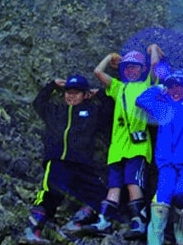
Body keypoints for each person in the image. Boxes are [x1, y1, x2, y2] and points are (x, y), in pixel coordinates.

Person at [21, 73, 112, 244]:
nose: (71, 95)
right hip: (57, 160)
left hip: (81, 163)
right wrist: (52, 85)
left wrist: (99, 94)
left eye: (77, 92)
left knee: (99, 194)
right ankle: (32, 232)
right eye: (68, 91)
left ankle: (76, 224)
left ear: (85, 95)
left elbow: (109, 111)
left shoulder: (91, 112)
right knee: (49, 195)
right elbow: (38, 102)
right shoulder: (55, 110)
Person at [137, 43, 183, 245]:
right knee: (161, 200)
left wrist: (181, 75)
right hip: (166, 163)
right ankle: (155, 240)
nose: (175, 90)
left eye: (178, 86)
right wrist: (160, 86)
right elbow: (142, 99)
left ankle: (182, 238)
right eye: (171, 87)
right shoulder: (163, 107)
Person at [94, 49, 158, 237]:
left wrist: (153, 49)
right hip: (117, 148)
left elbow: (155, 66)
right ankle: (103, 220)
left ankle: (139, 222)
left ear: (141, 69)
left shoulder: (146, 85)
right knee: (114, 185)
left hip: (137, 147)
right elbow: (97, 72)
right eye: (127, 67)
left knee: (132, 182)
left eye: (134, 67)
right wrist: (109, 56)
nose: (131, 71)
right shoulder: (118, 87)